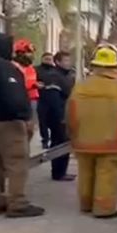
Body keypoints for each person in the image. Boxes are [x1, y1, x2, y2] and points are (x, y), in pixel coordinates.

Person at [0, 33, 44, 218]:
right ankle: (17, 204)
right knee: (17, 163)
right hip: (7, 122)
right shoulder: (4, 67)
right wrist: (25, 116)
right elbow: (13, 96)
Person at [66, 44, 117, 218]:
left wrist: (71, 134)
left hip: (83, 140)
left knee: (85, 173)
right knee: (106, 176)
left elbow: (69, 113)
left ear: (94, 66)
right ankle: (104, 208)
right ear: (115, 66)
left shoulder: (80, 87)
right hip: (112, 142)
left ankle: (85, 204)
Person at [42, 51, 76, 181]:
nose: (68, 63)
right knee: (59, 143)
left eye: (69, 60)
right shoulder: (53, 76)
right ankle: (58, 172)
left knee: (64, 143)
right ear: (58, 62)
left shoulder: (65, 75)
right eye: (65, 61)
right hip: (58, 116)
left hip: (64, 114)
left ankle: (62, 171)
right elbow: (53, 99)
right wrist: (60, 117)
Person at [12, 39, 40, 142]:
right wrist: (33, 85)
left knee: (30, 130)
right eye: (29, 52)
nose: (31, 55)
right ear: (20, 53)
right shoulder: (14, 67)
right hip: (21, 101)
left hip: (32, 99)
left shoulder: (30, 68)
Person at [35, 52, 55, 149]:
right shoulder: (36, 70)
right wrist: (36, 84)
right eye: (46, 59)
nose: (48, 61)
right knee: (42, 121)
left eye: (50, 59)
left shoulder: (55, 71)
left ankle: (53, 138)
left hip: (53, 99)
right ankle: (45, 139)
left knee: (53, 121)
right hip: (41, 98)